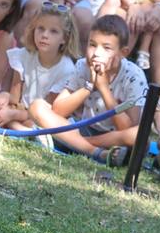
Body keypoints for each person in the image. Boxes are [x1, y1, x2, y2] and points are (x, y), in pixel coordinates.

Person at [27, 14, 149, 166]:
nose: (96, 53)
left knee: (138, 135)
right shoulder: (82, 66)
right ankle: (96, 153)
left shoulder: (134, 76)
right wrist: (88, 87)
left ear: (123, 53)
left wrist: (104, 88)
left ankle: (76, 143)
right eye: (92, 44)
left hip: (115, 139)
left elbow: (127, 127)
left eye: (106, 48)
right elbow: (58, 110)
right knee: (37, 106)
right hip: (86, 128)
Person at [0, 0, 78, 129]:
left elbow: (50, 111)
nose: (45, 35)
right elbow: (15, 98)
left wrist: (13, 115)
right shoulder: (24, 55)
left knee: (34, 123)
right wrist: (6, 96)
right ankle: (8, 122)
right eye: (40, 29)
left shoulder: (66, 69)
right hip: (16, 107)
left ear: (65, 38)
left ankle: (12, 125)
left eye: (53, 31)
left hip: (36, 116)